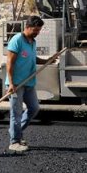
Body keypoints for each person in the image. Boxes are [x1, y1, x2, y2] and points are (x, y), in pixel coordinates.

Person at [6, 15, 52, 153]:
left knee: (34, 108)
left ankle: (17, 133)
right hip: (16, 84)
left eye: (39, 30)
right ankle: (14, 141)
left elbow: (32, 58)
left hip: (29, 83)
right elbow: (10, 63)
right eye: (35, 30)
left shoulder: (32, 41)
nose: (37, 32)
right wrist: (11, 84)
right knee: (16, 112)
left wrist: (45, 61)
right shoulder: (17, 40)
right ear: (27, 27)